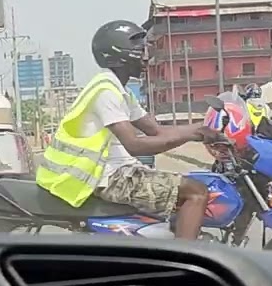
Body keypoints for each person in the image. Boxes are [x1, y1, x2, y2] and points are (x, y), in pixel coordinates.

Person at [35, 20, 223, 240]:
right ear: (119, 55)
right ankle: (187, 256)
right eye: (139, 52)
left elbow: (157, 131)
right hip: (107, 178)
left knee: (187, 182)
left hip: (118, 171)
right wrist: (193, 134)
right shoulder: (105, 91)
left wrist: (203, 129)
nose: (146, 58)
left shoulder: (121, 91)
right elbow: (134, 145)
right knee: (197, 192)